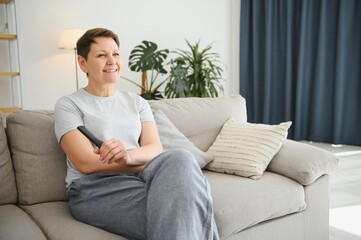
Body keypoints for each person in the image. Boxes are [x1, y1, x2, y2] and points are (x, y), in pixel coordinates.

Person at [54, 28, 219, 240]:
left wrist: (129, 156)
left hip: (139, 179)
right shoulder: (69, 105)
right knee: (188, 211)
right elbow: (85, 163)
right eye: (102, 55)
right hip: (93, 188)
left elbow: (155, 148)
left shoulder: (137, 102)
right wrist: (136, 161)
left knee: (181, 158)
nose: (111, 61)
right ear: (83, 63)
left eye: (115, 54)